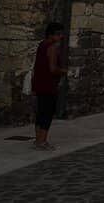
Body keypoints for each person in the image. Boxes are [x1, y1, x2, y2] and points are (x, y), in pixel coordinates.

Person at [31, 22, 67, 150]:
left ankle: (37, 140)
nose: (61, 37)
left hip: (39, 83)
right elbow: (52, 69)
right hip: (48, 84)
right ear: (51, 34)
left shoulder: (42, 45)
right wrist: (64, 71)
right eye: (58, 34)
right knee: (47, 112)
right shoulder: (52, 47)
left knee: (40, 112)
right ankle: (42, 141)